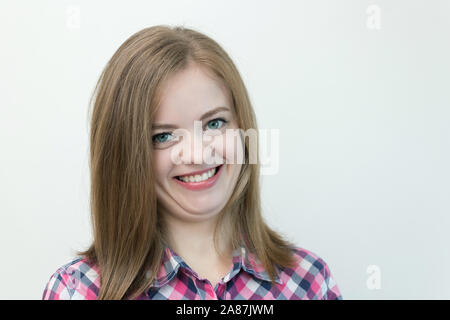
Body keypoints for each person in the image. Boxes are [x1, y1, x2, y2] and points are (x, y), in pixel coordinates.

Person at [42, 25, 343, 300]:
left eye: (214, 123)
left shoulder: (308, 281)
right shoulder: (78, 291)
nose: (198, 154)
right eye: (163, 137)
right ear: (126, 157)